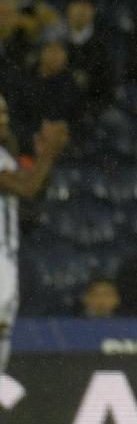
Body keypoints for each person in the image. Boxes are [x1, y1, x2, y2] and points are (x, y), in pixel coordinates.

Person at [0, 99, 68, 378]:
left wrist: (43, 160)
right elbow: (27, 187)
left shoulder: (4, 154)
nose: (2, 118)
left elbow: (31, 194)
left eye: (4, 111)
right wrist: (50, 153)